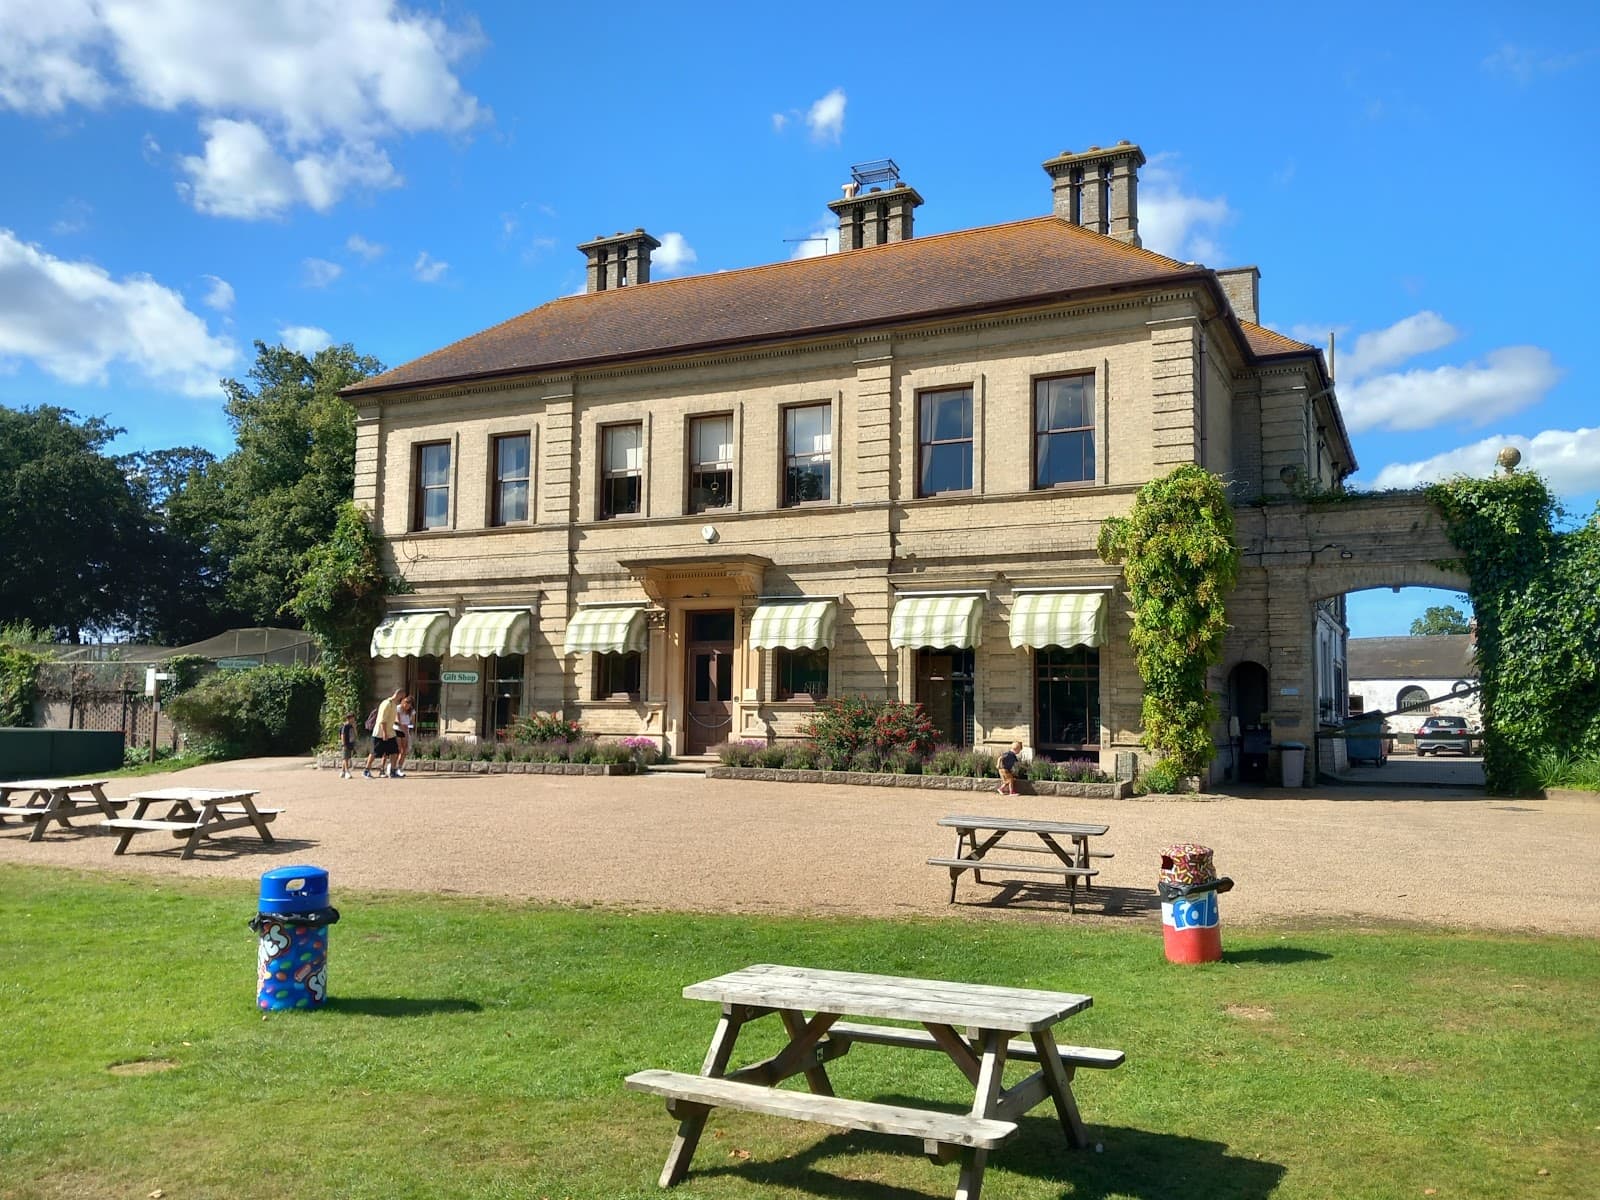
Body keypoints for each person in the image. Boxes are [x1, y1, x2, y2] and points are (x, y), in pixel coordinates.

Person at [364, 688, 405, 778]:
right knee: (375, 752)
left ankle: (393, 771)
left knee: (395, 751)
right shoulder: (387, 703)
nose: (403, 698)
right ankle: (366, 770)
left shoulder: (394, 705)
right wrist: (384, 733)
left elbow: (391, 719)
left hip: (391, 732)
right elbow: (383, 720)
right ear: (399, 694)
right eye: (402, 696)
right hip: (380, 733)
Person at [394, 696, 416, 776]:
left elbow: (412, 722)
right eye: (406, 703)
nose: (406, 705)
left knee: (404, 750)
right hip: (397, 729)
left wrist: (410, 726)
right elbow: (397, 720)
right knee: (398, 749)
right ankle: (393, 767)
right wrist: (403, 726)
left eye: (409, 704)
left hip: (406, 731)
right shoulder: (398, 708)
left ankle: (399, 767)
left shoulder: (411, 711)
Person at [338, 713, 357, 779]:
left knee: (347, 758)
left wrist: (354, 728)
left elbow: (355, 735)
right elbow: (342, 735)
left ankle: (342, 771)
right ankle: (347, 771)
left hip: (350, 743)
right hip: (346, 744)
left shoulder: (351, 726)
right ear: (349, 718)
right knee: (345, 758)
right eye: (352, 718)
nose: (354, 719)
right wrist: (343, 744)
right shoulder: (345, 726)